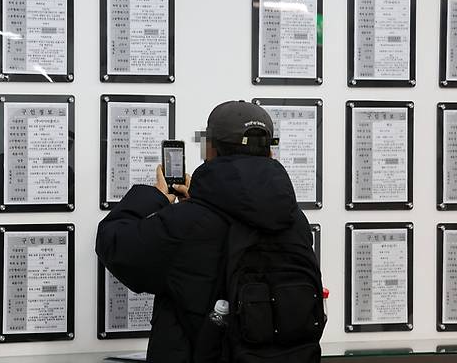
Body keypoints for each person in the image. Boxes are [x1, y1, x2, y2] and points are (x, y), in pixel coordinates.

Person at [96, 101, 324, 362]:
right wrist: (198, 202)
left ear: (210, 150)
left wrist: (156, 197)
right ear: (270, 153)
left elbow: (113, 243)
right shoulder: (296, 222)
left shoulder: (187, 223)